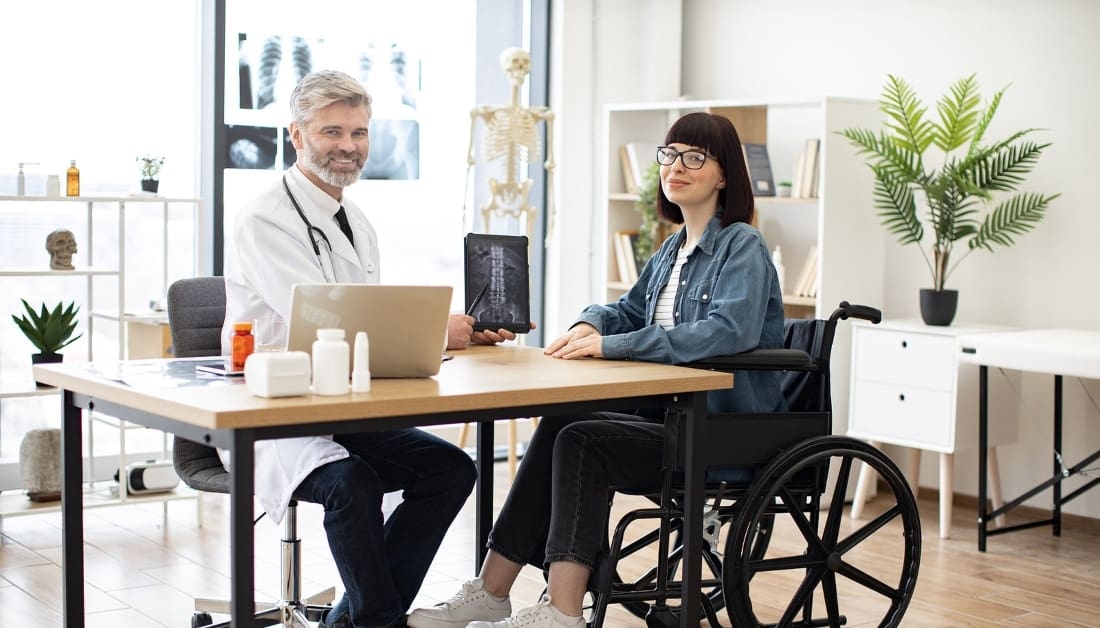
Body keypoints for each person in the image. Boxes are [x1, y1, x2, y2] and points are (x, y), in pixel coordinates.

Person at [407, 112, 785, 628]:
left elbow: (727, 331)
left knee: (582, 440)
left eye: (694, 157)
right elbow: (625, 310)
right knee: (564, 419)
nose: (676, 167)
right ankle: (492, 592)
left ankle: (563, 611)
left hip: (719, 430)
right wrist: (589, 325)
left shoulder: (743, 245)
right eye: (669, 155)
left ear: (724, 174)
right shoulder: (672, 250)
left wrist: (616, 345)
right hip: (670, 419)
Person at [221, 69, 519, 628]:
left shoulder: (355, 219)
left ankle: (354, 621)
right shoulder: (264, 218)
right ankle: (378, 621)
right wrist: (436, 333)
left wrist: (452, 331)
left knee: (451, 470)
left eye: (359, 133)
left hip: (347, 403)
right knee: (351, 484)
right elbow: (325, 319)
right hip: (276, 412)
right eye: (332, 132)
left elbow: (372, 320)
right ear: (297, 135)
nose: (348, 147)